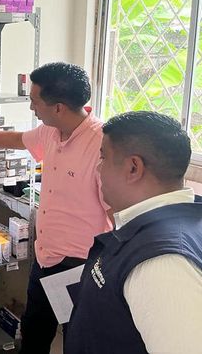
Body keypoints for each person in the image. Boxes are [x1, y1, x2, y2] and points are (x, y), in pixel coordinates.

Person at [0, 62, 112, 353]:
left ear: (58, 107)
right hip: (45, 256)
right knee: (34, 333)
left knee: (78, 339)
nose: (31, 107)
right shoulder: (51, 131)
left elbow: (116, 214)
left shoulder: (101, 146)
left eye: (34, 101)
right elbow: (18, 140)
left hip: (79, 266)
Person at [65, 111, 202, 354]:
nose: (98, 168)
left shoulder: (162, 265)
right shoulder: (164, 222)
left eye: (103, 158)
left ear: (133, 168)